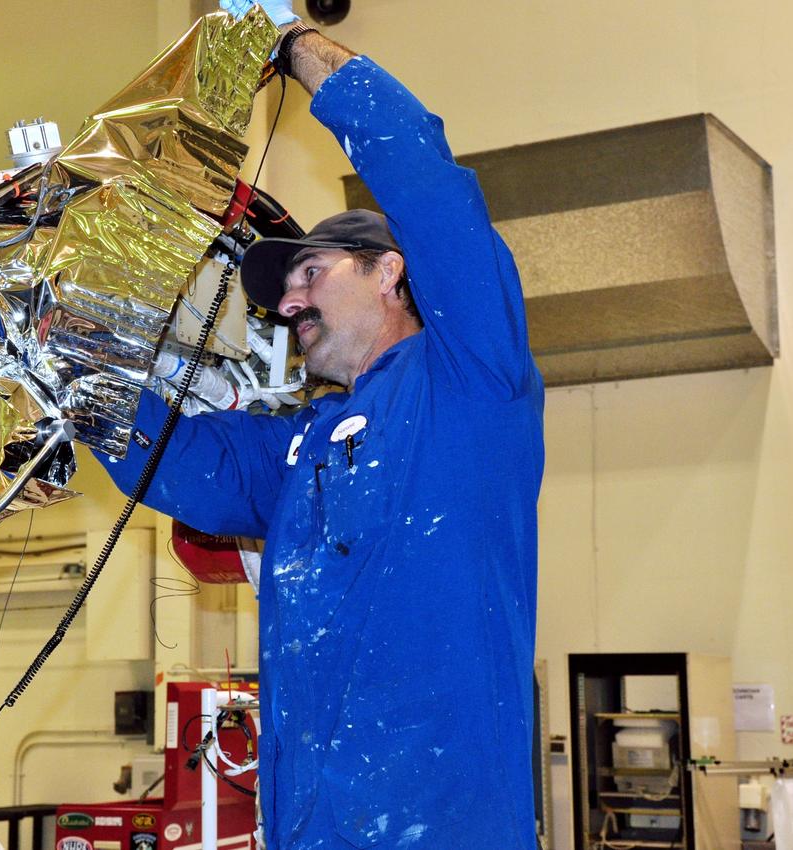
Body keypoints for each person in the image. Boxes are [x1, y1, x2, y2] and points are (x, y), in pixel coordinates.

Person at [98, 2, 545, 847]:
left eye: (309, 271)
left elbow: (428, 184)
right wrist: (69, 359)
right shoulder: (304, 447)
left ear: (390, 272)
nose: (288, 301)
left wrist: (291, 43)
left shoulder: (473, 381)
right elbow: (181, 459)